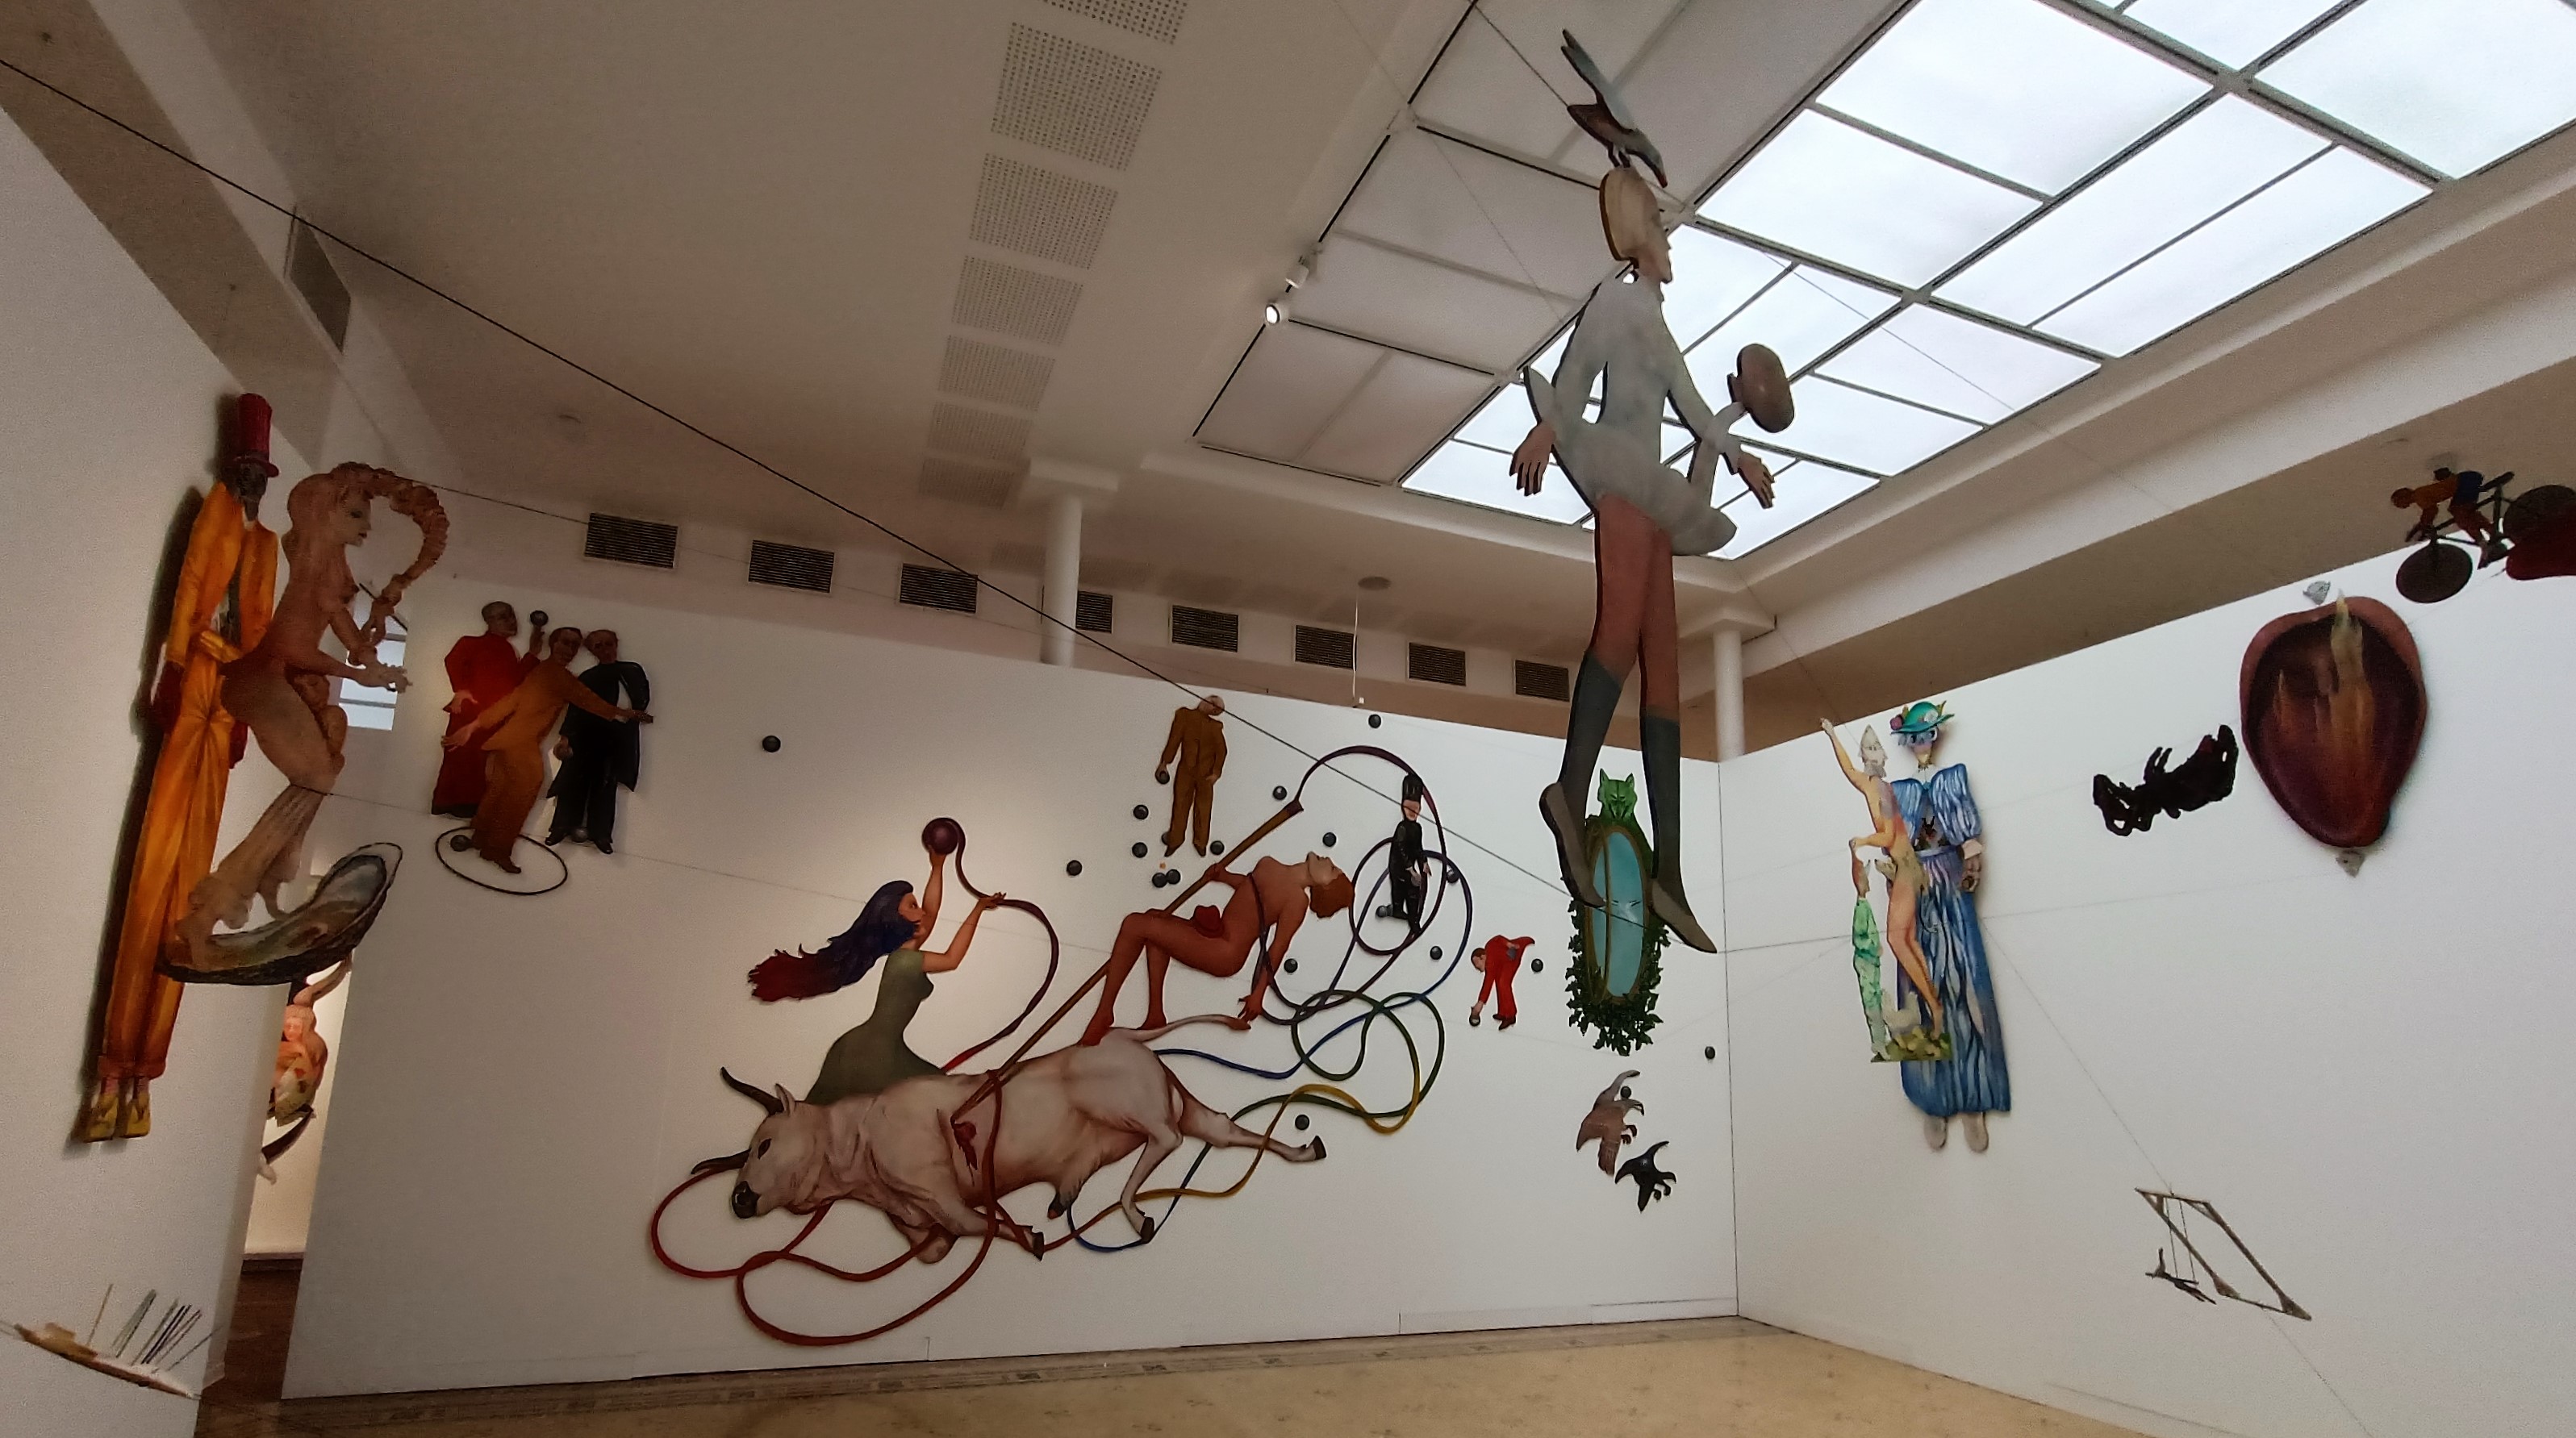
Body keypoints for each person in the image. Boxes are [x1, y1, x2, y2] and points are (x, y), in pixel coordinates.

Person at [1511, 165, 1785, 953]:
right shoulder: (1614, 303)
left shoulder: (1659, 325)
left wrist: (1736, 454)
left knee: (1663, 668)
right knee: (1621, 629)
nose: (1671, 247)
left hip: (1655, 494)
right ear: (1639, 243)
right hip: (1621, 475)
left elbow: (1692, 406)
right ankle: (1569, 793)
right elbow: (1573, 378)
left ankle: (1670, 871)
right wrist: (1548, 429)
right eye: (1662, 233)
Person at [81, 396, 282, 1141]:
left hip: (228, 691)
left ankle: (144, 1072)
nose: (252, 481)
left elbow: (261, 629)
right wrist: (170, 666)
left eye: (259, 472)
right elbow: (191, 591)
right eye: (248, 468)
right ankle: (116, 1066)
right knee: (156, 866)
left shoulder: (266, 544)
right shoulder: (215, 519)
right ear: (236, 467)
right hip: (199, 674)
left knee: (194, 879)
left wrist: (250, 705)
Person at [173, 464, 446, 971]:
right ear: (326, 512)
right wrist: (358, 671)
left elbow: (346, 634)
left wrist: (369, 654)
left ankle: (266, 868)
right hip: (261, 678)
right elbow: (293, 646)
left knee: (331, 748)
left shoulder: (330, 568)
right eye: (356, 514)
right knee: (318, 774)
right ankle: (218, 903)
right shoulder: (319, 571)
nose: (366, 526)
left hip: (270, 678)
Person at [745, 836, 1008, 1104]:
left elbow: (931, 911)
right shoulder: (905, 962)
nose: (922, 912)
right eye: (912, 906)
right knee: (943, 1097)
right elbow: (952, 959)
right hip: (875, 1054)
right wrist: (977, 910)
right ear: (895, 918)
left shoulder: (905, 954)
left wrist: (938, 867)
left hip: (879, 1048)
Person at [1885, 702, 2008, 1153]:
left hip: (1951, 887)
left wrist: (1971, 855)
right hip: (1915, 888)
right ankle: (1933, 1098)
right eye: (1915, 736)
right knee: (1920, 988)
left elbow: (1967, 837)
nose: (1922, 743)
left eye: (1927, 734)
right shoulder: (1898, 790)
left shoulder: (1951, 778)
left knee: (1963, 981)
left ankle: (1974, 1095)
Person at [1082, 852, 1353, 1044]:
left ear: (1324, 886)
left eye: (1332, 870)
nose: (1329, 861)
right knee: (1154, 919)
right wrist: (1224, 877)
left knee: (1135, 924)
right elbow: (1249, 888)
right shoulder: (1269, 863)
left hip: (1225, 952)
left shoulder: (1296, 901)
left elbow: (1277, 948)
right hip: (1216, 935)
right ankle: (1155, 1013)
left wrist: (1258, 994)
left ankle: (1104, 1012)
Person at [442, 627, 649, 873]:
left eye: (574, 645)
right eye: (565, 642)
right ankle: (498, 849)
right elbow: (588, 700)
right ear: (553, 643)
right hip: (521, 744)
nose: (569, 649)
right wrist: (626, 713)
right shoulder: (558, 676)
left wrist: (474, 726)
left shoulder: (542, 671)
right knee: (524, 792)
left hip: (506, 742)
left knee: (500, 790)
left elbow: (511, 701)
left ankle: (481, 836)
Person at [1821, 723, 1943, 1037]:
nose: (1870, 754)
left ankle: (1935, 1007)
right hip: (1903, 868)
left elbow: (1888, 835)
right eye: (1867, 750)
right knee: (1908, 940)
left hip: (1907, 867)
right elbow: (1848, 770)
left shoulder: (1884, 792)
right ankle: (1934, 1007)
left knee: (1898, 940)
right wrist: (1833, 736)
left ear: (1882, 757)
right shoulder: (1868, 784)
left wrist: (1863, 840)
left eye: (1875, 749)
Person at [432, 602, 544, 816]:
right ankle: (453, 804)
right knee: (462, 762)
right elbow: (453, 660)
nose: (511, 621)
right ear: (489, 621)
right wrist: (461, 689)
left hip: (493, 719)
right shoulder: (472, 643)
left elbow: (514, 683)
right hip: (470, 715)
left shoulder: (508, 651)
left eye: (511, 616)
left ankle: (475, 808)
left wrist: (532, 654)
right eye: (503, 617)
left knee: (485, 767)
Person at [545, 629, 650, 853]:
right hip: (586, 737)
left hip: (615, 740)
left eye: (608, 644)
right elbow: (576, 710)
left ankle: (601, 833)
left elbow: (640, 701)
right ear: (592, 651)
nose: (605, 650)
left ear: (616, 644)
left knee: (605, 785)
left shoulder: (631, 671)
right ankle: (562, 825)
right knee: (574, 782)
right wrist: (566, 737)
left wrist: (626, 715)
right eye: (598, 646)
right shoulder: (589, 677)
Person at [1156, 694, 1226, 857]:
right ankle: (1175, 840)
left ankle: (1201, 843)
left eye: (1217, 710)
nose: (1213, 709)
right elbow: (1174, 740)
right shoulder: (1185, 715)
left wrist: (1216, 773)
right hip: (1185, 771)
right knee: (1180, 805)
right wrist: (1165, 762)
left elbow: (1222, 751)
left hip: (1206, 776)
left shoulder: (1215, 727)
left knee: (1203, 809)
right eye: (1213, 704)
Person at [1376, 775, 1429, 930]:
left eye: (1416, 809)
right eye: (1409, 808)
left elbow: (1418, 847)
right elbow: (1400, 848)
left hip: (1409, 867)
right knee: (1400, 890)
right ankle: (1399, 910)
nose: (1412, 812)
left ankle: (1414, 919)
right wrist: (1410, 869)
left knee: (1414, 891)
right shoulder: (1402, 828)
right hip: (1399, 867)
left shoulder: (1418, 828)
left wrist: (1424, 862)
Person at [1468, 935, 1533, 1030]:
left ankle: (1511, 1015)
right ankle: (1503, 1012)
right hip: (1503, 964)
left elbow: (1498, 938)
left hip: (1512, 958)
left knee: (1504, 984)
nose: (1478, 968)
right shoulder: (1490, 967)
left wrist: (1508, 944)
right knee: (1499, 983)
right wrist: (1481, 1002)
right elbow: (1487, 984)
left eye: (1477, 964)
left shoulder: (1489, 947)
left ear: (1482, 957)